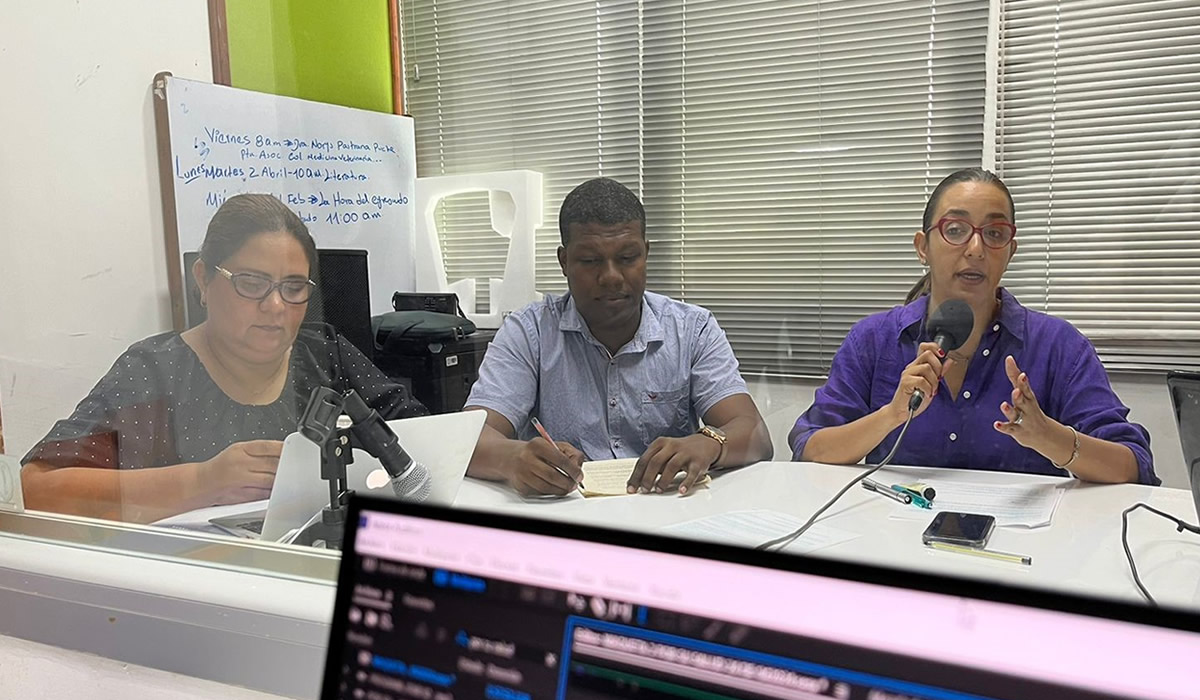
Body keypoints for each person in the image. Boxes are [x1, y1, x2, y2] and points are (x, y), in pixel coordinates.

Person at [21, 194, 427, 522]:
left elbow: (428, 436)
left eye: (293, 287)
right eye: (251, 283)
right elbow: (35, 488)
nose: (275, 306)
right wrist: (201, 481)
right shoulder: (156, 372)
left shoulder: (323, 354)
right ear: (204, 279)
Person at [789, 168, 1158, 485]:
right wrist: (892, 415)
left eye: (995, 233)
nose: (976, 248)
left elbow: (1133, 466)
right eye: (955, 229)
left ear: (1010, 251)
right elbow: (810, 448)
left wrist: (1050, 437)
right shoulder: (873, 340)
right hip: (894, 540)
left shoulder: (1058, 345)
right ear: (923, 247)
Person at [465, 177, 773, 496]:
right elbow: (469, 438)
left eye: (627, 258)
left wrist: (708, 444)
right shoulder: (529, 332)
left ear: (646, 254)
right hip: (567, 516)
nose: (611, 276)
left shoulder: (692, 329)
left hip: (670, 513)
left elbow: (755, 434)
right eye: (590, 260)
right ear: (564, 262)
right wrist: (513, 459)